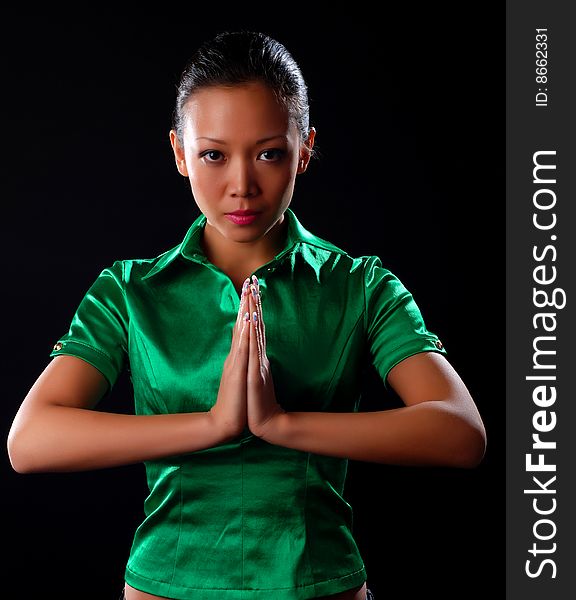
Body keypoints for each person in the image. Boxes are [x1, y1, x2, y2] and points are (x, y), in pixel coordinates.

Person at [7, 31, 487, 600]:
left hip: (319, 586)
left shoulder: (360, 285)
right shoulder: (129, 292)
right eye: (213, 154)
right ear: (179, 153)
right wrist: (214, 424)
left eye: (268, 153)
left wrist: (281, 424)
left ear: (304, 149)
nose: (241, 185)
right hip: (167, 587)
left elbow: (461, 434)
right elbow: (30, 442)